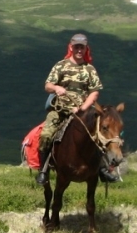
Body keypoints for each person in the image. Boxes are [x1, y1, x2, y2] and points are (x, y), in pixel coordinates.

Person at [35, 32, 110, 184]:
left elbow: (94, 92)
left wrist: (83, 108)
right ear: (71, 47)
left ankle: (103, 168)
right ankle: (43, 170)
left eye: (82, 47)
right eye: (76, 47)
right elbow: (47, 86)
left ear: (86, 48)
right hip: (61, 110)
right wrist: (56, 88)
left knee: (101, 135)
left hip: (83, 111)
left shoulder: (90, 69)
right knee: (46, 135)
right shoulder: (60, 65)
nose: (79, 50)